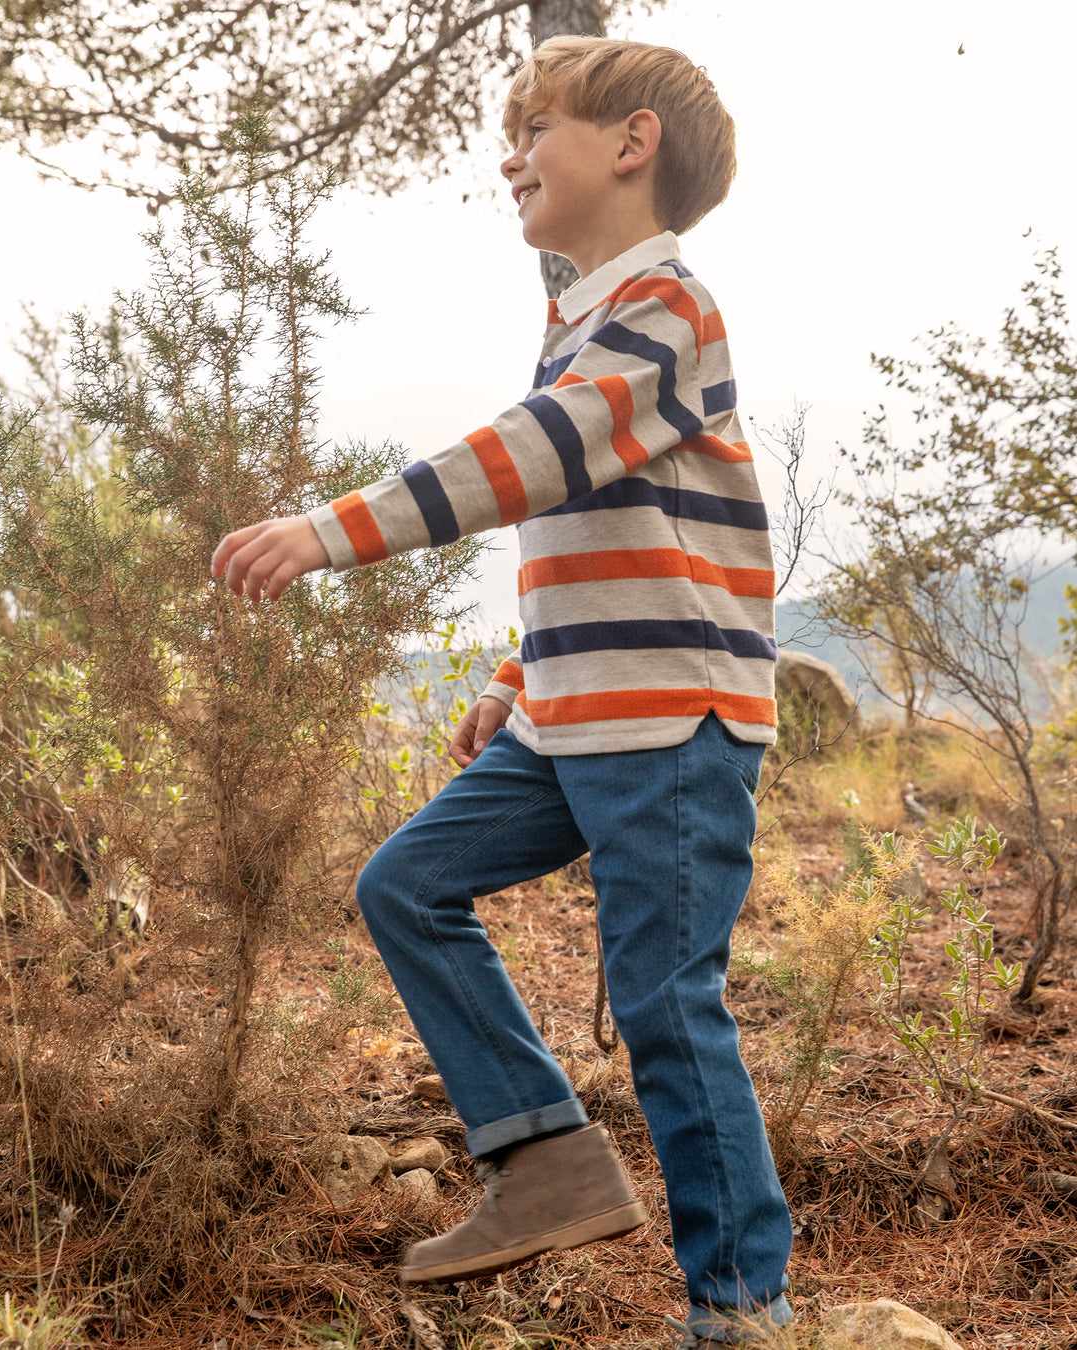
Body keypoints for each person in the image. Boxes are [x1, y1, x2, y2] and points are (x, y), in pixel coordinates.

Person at [212, 35, 793, 1345]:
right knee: (405, 883)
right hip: (571, 720)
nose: (511, 152)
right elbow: (593, 534)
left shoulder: (669, 314)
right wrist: (518, 674)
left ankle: (743, 1310)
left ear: (632, 144)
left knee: (664, 1002)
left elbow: (538, 459)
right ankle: (543, 1159)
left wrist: (331, 528)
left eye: (540, 129)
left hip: (671, 723)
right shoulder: (583, 324)